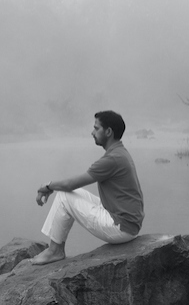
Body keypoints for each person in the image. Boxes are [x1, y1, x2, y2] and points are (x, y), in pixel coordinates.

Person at [29, 110, 144, 265]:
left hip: (121, 227)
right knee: (72, 193)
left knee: (65, 195)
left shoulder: (112, 159)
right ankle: (55, 249)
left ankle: (55, 251)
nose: (92, 132)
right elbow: (72, 186)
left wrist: (47, 186)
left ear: (108, 132)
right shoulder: (119, 153)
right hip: (127, 223)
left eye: (96, 128)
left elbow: (70, 184)